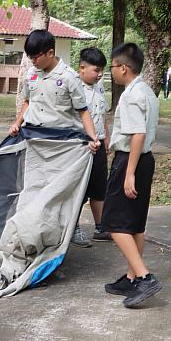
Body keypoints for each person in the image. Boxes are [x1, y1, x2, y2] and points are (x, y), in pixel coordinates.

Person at [101, 43, 161, 308]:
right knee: (135, 223)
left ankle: (145, 277)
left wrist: (129, 174)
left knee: (113, 223)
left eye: (112, 67)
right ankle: (131, 276)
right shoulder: (146, 91)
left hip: (131, 159)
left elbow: (138, 134)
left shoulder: (130, 96)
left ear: (123, 68)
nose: (111, 72)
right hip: (145, 160)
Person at [73, 47, 111, 246]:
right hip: (81, 147)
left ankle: (100, 227)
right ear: (82, 68)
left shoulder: (99, 85)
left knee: (99, 188)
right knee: (80, 190)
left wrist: (106, 137)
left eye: (101, 70)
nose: (100, 74)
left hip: (99, 144)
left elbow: (102, 113)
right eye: (96, 70)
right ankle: (73, 229)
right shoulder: (73, 87)